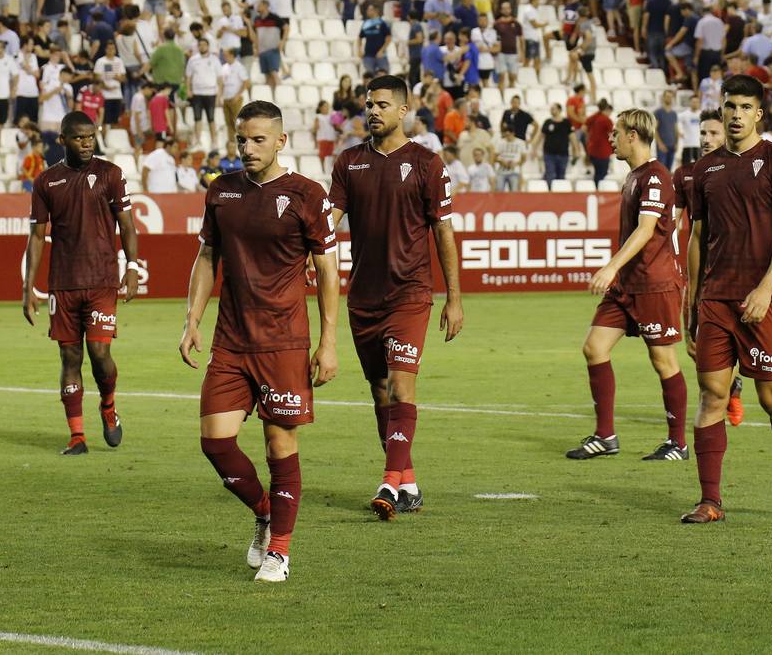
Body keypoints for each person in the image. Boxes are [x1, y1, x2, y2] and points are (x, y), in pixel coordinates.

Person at [180, 99, 339, 582]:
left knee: (278, 444)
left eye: (258, 140)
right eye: (241, 140)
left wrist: (328, 341)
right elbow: (208, 258)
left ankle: (281, 552)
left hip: (284, 342)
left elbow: (328, 270)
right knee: (215, 442)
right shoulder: (221, 192)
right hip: (231, 342)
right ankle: (266, 513)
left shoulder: (307, 195)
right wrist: (192, 319)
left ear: (280, 141)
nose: (247, 148)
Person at [328, 76, 462, 518]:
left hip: (410, 293)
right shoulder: (349, 162)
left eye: (383, 105)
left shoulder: (427, 163)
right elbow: (328, 223)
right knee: (380, 391)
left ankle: (387, 483)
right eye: (369, 104)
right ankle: (408, 482)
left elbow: (443, 231)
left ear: (403, 111)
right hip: (362, 297)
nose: (373, 111)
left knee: (401, 385)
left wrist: (454, 298)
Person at [683, 74, 772, 524]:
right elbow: (697, 236)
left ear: (759, 114)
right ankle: (710, 500)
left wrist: (766, 287)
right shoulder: (705, 169)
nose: (735, 115)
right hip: (716, 299)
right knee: (711, 395)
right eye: (728, 107)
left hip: (764, 300)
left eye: (743, 108)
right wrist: (691, 298)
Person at [567, 109, 688, 462]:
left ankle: (677, 442)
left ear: (633, 135)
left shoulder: (656, 177)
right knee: (594, 347)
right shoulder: (635, 176)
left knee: (663, 360)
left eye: (616, 133)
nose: (611, 138)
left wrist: (611, 266)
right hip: (628, 284)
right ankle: (605, 436)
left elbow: (647, 229)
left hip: (654, 283)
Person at [23, 111, 141, 455]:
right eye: (78, 138)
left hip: (102, 280)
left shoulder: (110, 175)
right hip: (64, 283)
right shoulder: (47, 181)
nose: (86, 143)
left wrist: (131, 266)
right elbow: (35, 236)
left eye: (90, 137)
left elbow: (128, 226)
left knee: (99, 352)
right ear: (62, 140)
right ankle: (77, 437)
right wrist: (27, 287)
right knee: (70, 358)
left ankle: (108, 404)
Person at [673, 108, 744, 424]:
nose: (706, 139)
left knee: (734, 341)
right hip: (700, 271)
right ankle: (730, 387)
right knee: (695, 347)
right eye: (702, 133)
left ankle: (728, 388)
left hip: (736, 274)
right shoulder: (687, 174)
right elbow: (676, 224)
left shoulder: (744, 170)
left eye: (713, 133)